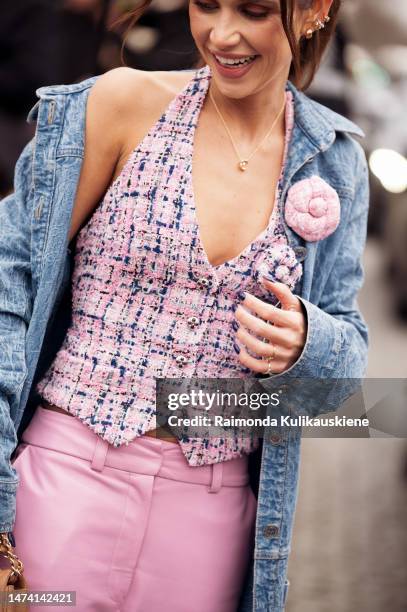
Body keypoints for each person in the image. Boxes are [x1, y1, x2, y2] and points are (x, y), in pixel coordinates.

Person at [0, 0, 370, 610]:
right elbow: (11, 282)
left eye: (252, 11)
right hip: (62, 485)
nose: (221, 34)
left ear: (313, 12)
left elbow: (344, 387)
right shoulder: (122, 104)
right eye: (205, 5)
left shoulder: (336, 164)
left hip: (212, 516)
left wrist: (310, 342)